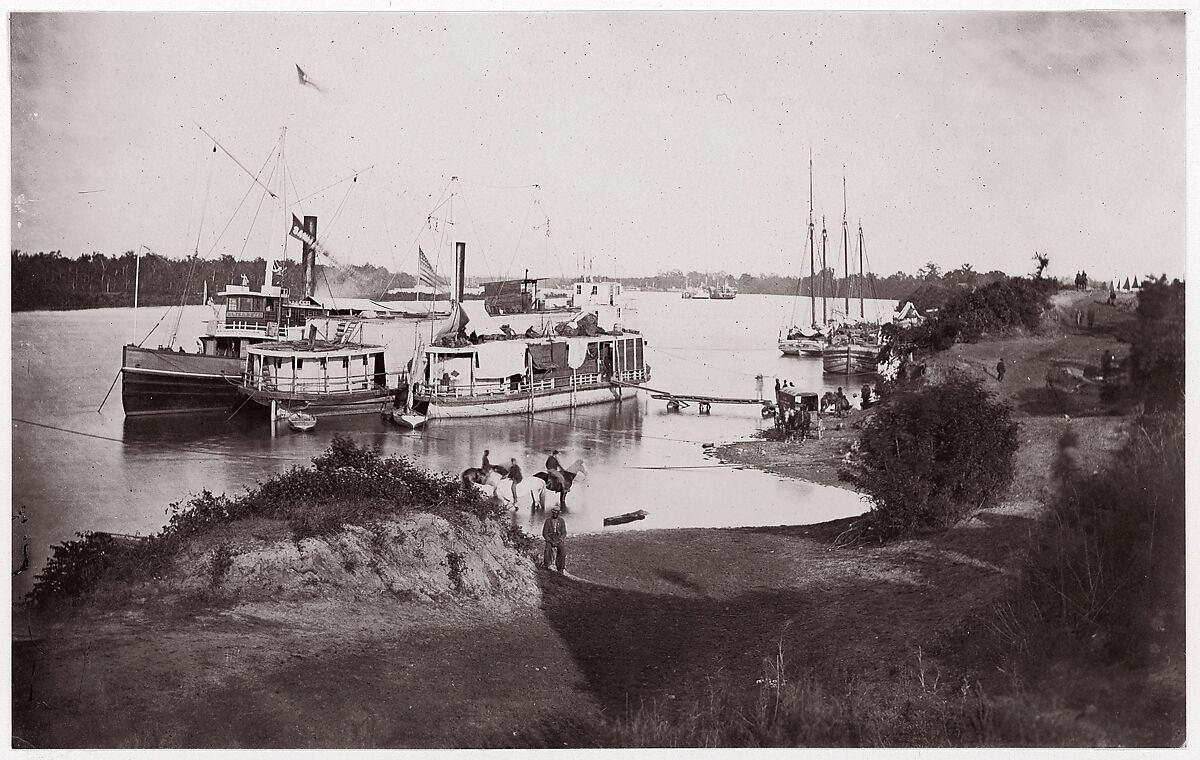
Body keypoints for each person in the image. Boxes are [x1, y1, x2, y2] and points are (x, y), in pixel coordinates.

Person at [542, 507, 567, 573]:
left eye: (557, 513)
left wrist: (560, 540)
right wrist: (549, 540)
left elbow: (564, 532)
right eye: (554, 512)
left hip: (558, 538)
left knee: (562, 551)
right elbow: (544, 533)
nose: (555, 514)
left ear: (559, 513)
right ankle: (547, 565)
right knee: (547, 550)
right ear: (552, 512)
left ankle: (561, 567)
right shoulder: (548, 521)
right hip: (550, 538)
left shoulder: (561, 521)